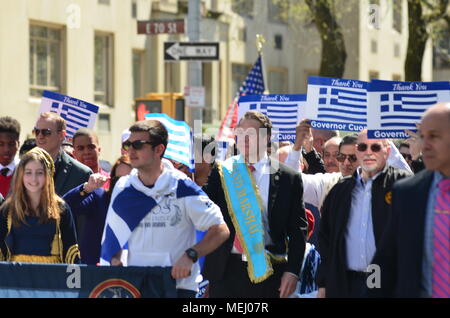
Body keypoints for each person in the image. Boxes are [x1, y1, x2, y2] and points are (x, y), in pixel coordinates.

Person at [100, 120, 230, 298]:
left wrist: (191, 255)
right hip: (136, 286)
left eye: (138, 145)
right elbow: (113, 236)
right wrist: (114, 259)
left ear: (159, 149)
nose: (131, 150)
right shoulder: (123, 187)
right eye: (128, 144)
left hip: (178, 288)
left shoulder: (182, 186)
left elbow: (220, 229)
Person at [203, 111, 308, 298]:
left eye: (250, 133)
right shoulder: (222, 173)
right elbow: (204, 213)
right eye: (240, 132)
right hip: (226, 269)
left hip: (269, 270)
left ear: (266, 137)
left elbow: (297, 229)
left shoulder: (287, 178)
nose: (244, 138)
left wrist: (292, 271)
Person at [317, 130, 412, 298]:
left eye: (375, 147)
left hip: (385, 281)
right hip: (346, 280)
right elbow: (326, 240)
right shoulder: (341, 190)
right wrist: (323, 283)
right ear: (357, 151)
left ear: (387, 151)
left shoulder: (402, 185)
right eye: (362, 147)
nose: (368, 152)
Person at [371, 102, 450, 298]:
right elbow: (385, 261)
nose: (425, 145)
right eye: (422, 137)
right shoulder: (408, 192)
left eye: (434, 136)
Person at [0, 147, 80, 264]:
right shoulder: (8, 209)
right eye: (28, 172)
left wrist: (74, 281)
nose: (33, 178)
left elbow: (71, 251)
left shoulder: (61, 208)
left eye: (39, 173)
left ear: (48, 176)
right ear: (21, 175)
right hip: (17, 278)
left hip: (51, 277)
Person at [63, 155, 132, 265]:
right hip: (95, 272)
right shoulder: (100, 197)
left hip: (134, 271)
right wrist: (87, 188)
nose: (122, 185)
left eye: (129, 179)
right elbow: (65, 206)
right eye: (118, 179)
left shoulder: (147, 204)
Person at [34, 112, 92, 196]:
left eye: (46, 132)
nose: (40, 136)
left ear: (61, 135)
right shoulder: (23, 167)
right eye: (36, 131)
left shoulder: (82, 173)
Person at [0, 116, 21, 198]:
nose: (6, 150)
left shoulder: (25, 171)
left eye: (11, 144)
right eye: (0, 144)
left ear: (18, 144)